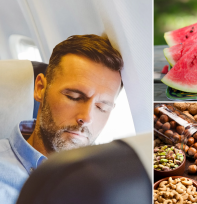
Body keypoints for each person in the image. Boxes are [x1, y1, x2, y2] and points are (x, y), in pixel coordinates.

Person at [0, 34, 123, 204]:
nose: (86, 117)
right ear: (40, 88)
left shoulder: (116, 181)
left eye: (102, 107)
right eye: (73, 97)